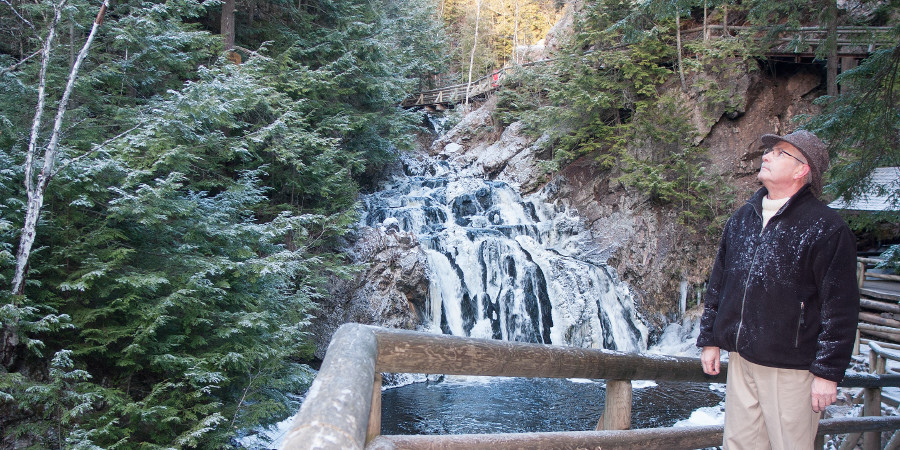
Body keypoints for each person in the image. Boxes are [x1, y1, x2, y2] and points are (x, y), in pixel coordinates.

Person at [696, 130, 860, 449]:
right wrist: (710, 339)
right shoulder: (743, 218)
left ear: (802, 169)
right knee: (739, 444)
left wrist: (828, 373)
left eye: (780, 152)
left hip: (791, 368)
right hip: (741, 360)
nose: (767, 155)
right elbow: (719, 284)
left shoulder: (826, 228)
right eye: (769, 151)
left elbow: (840, 308)